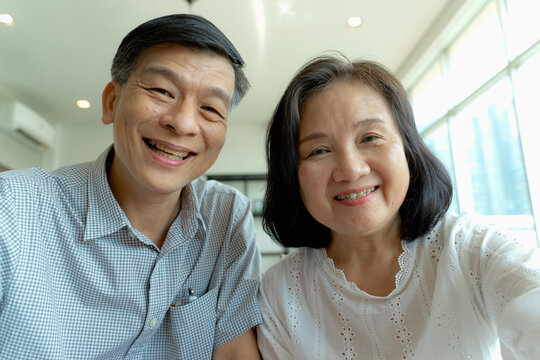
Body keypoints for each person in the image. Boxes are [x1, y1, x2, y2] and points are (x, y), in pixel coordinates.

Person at [0, 14, 262, 359]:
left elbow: (235, 352)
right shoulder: (14, 209)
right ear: (111, 102)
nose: (183, 123)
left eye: (211, 109)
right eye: (161, 91)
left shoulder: (226, 217)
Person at [257, 54, 540, 359]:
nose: (351, 170)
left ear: (408, 149)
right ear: (292, 174)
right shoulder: (279, 293)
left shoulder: (473, 249)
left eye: (370, 137)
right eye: (319, 150)